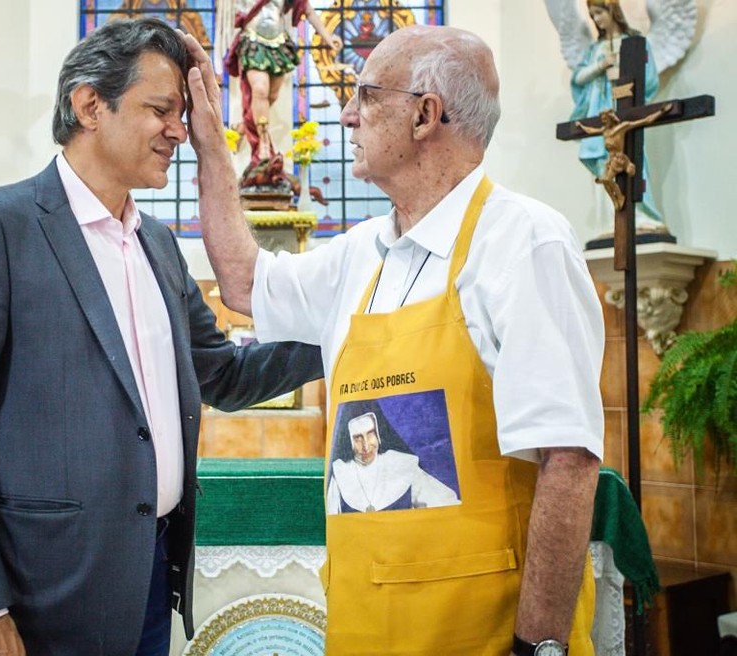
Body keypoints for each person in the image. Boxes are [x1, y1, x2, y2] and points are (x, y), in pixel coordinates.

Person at [0, 18, 323, 656]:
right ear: (90, 104)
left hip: (146, 583)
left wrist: (345, 332)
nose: (179, 130)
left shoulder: (156, 245)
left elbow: (224, 376)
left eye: (182, 113)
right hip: (27, 595)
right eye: (161, 109)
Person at [184, 22, 604, 655]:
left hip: (479, 635)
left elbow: (569, 462)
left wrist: (537, 647)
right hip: (365, 628)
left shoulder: (521, 242)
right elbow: (244, 283)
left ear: (425, 115)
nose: (348, 116)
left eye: (367, 96)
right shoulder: (362, 252)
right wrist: (213, 145)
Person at [570, 0, 662, 226]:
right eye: (593, 16)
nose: (597, 19)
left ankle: (641, 214)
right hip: (601, 111)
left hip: (627, 110)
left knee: (634, 157)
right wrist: (601, 66)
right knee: (604, 165)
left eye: (600, 13)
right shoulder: (595, 50)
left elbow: (649, 80)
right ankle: (611, 220)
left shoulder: (635, 43)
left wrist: (623, 72)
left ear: (612, 10)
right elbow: (578, 79)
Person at [225, 0, 341, 163]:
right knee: (260, 90)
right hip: (252, 41)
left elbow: (307, 10)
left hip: (278, 42)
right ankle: (263, 143)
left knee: (271, 96)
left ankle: (242, 128)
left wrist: (328, 39)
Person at [326, 411, 460, 514]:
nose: (366, 446)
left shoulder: (401, 463)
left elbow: (445, 502)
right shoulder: (341, 472)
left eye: (370, 433)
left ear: (379, 433)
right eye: (357, 438)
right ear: (348, 440)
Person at [575, 104, 671, 210]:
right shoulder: (605, 131)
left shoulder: (623, 127)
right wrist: (581, 126)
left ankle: (620, 197)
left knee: (607, 179)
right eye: (603, 120)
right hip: (610, 160)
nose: (604, 121)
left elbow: (646, 120)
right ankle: (616, 199)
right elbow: (591, 131)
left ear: (611, 118)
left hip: (619, 159)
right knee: (606, 182)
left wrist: (661, 111)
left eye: (605, 119)